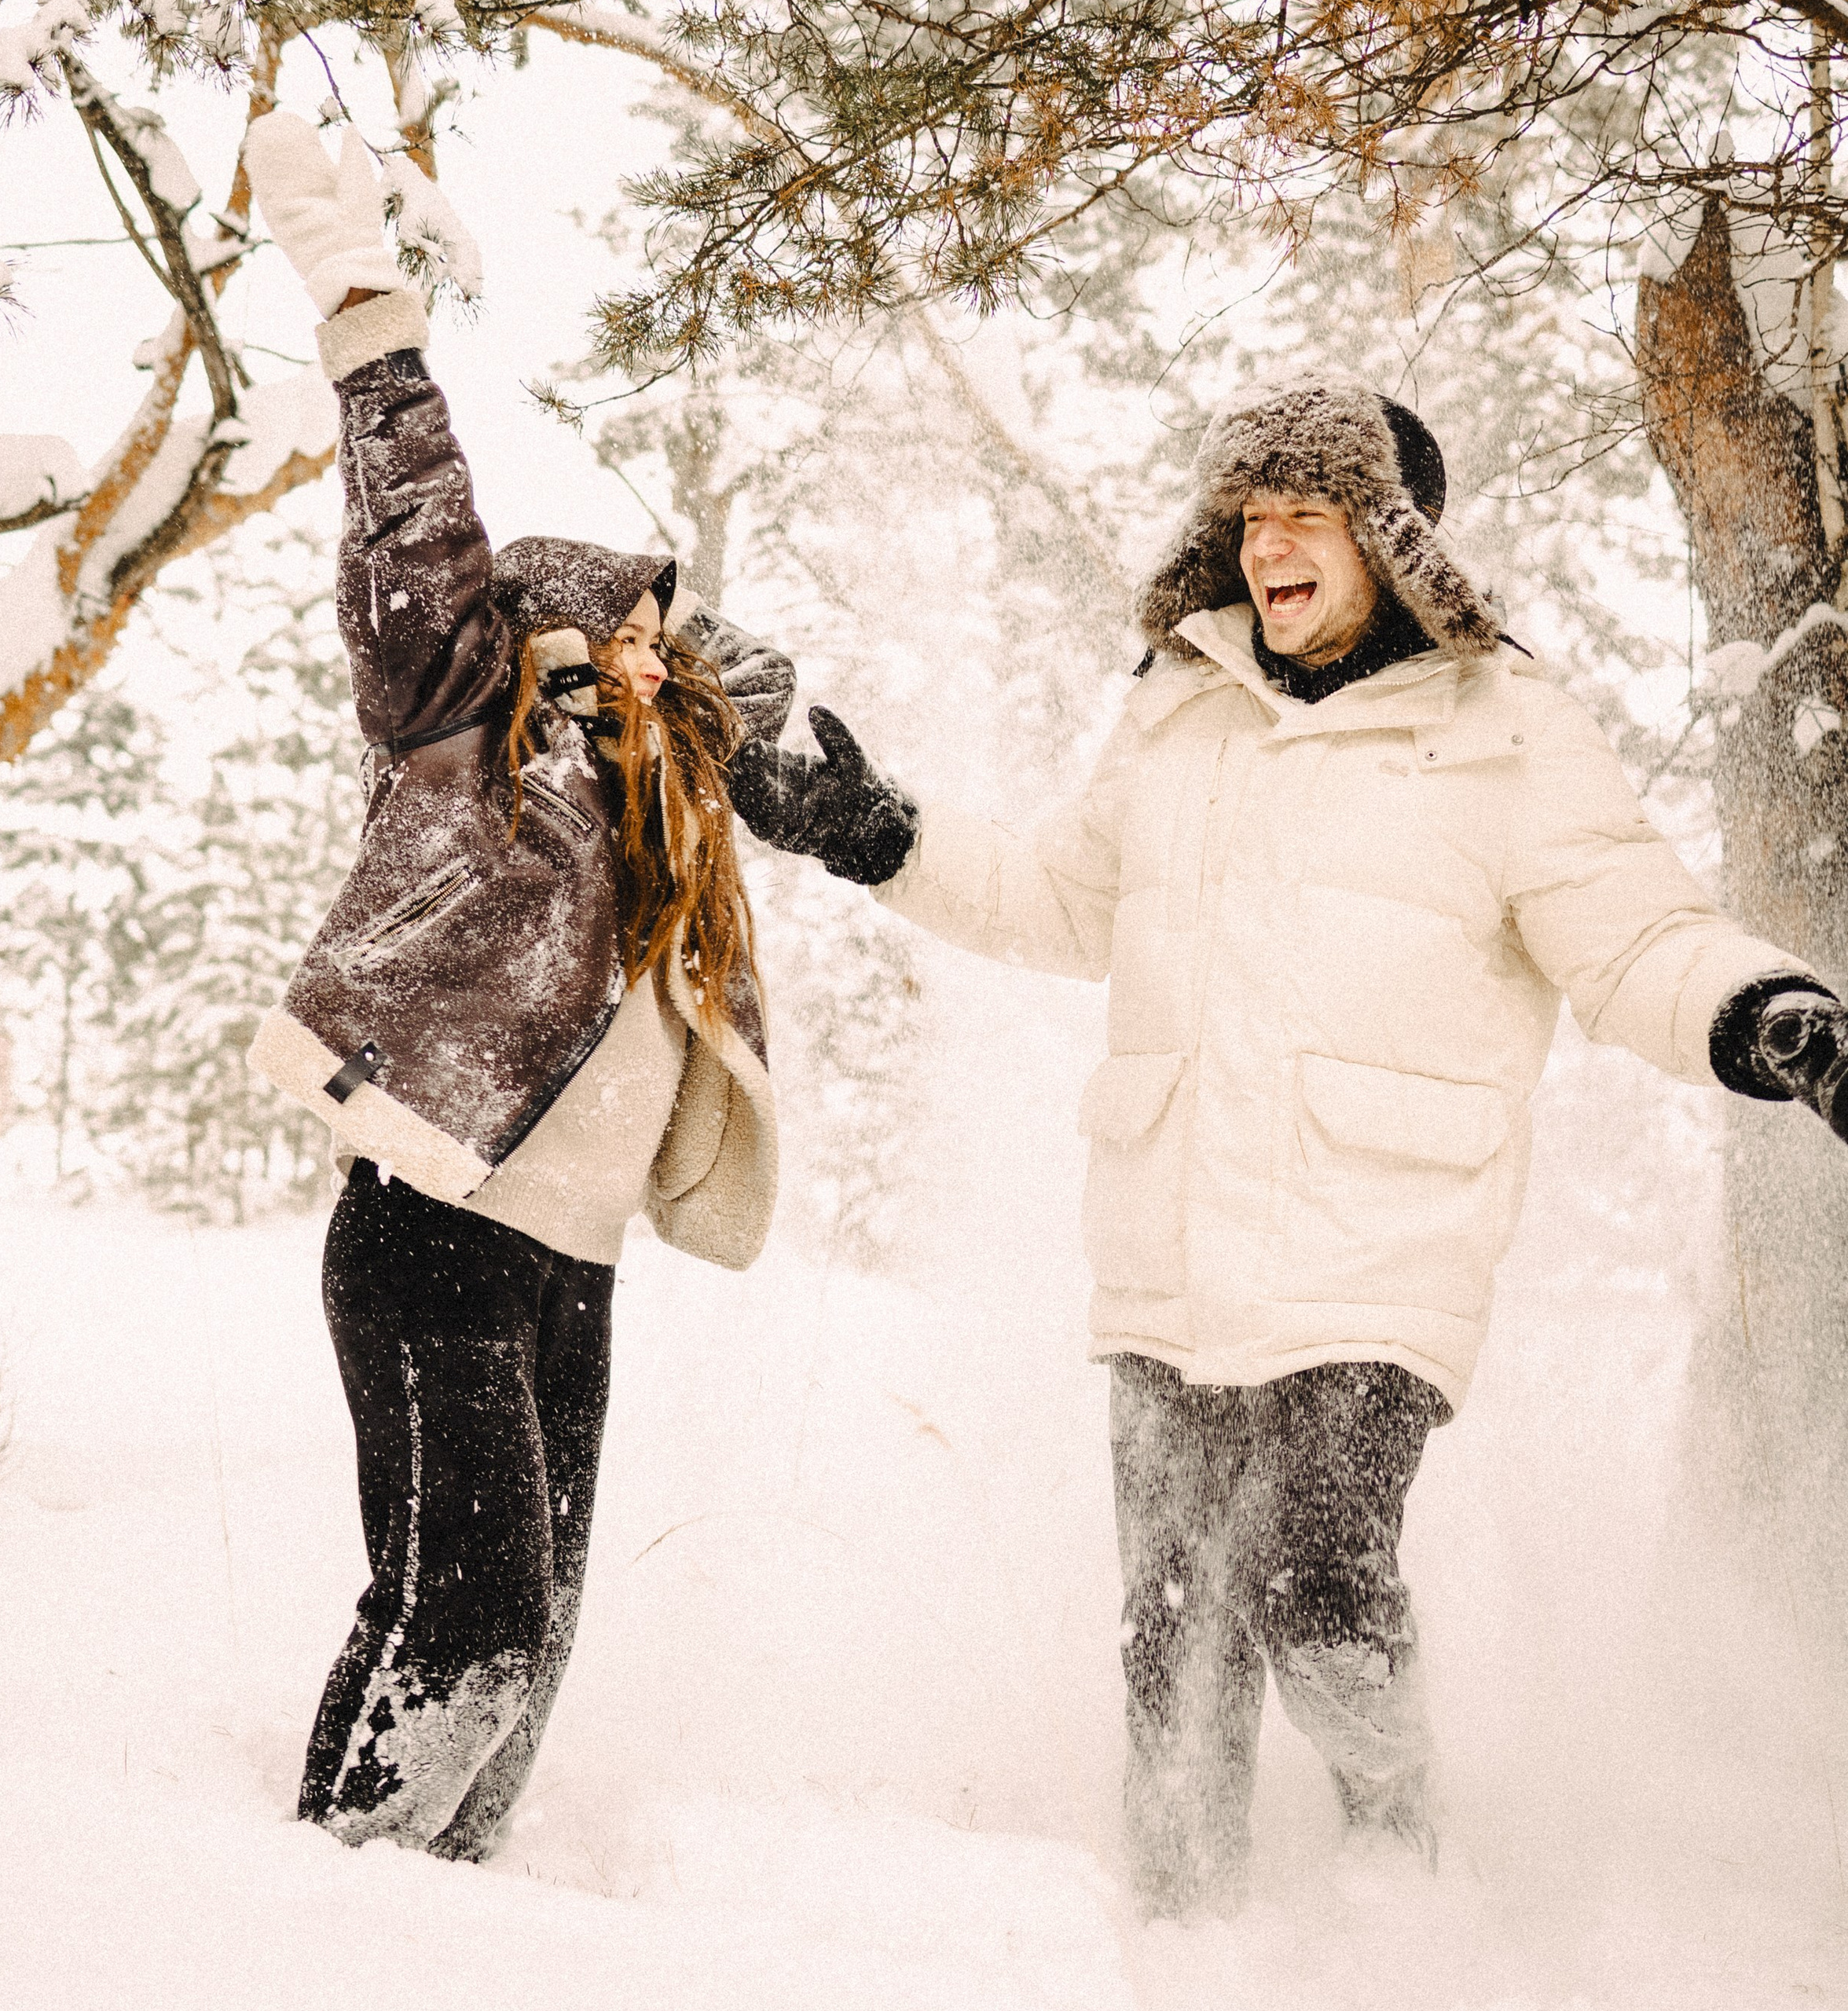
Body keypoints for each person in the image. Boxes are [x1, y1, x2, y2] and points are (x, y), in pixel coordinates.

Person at [730, 373, 1848, 1918]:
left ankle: (1395, 1845)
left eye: (1303, 512)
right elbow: (1064, 897)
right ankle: (1182, 1940)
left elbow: (1629, 927)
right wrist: (872, 830)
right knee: (1172, 1639)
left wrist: (1761, 1008)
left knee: (1316, 1589)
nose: (1267, 546)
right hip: (1169, 1238)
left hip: (1375, 1245)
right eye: (1248, 517)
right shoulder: (1175, 707)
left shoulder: (1503, 728)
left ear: (1387, 537)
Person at [240, 112, 793, 1859]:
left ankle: (406, 1895)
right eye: (624, 625)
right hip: (431, 1226)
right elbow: (416, 530)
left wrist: (712, 682)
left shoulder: (664, 809)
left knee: (509, 1635)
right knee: (467, 1619)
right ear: (541, 641)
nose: (654, 652)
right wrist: (361, 308)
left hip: (573, 1260)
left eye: (665, 631)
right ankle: (345, 1904)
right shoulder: (462, 732)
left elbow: (748, 701)